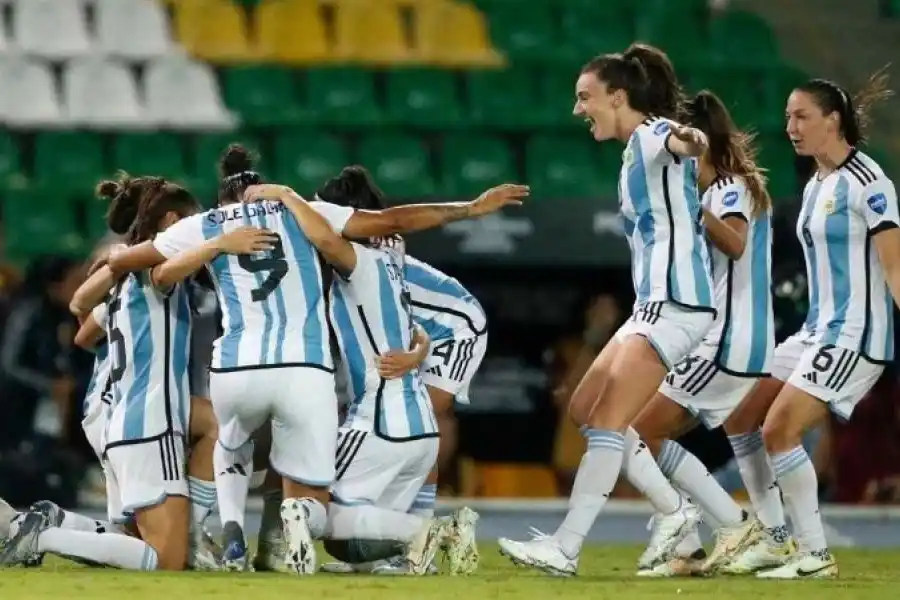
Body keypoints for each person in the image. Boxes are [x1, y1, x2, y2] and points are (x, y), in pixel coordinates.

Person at [497, 43, 716, 577]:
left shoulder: (652, 135)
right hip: (652, 306)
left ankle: (566, 547)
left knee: (608, 422)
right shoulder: (632, 153)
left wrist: (691, 139)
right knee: (584, 407)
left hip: (677, 304)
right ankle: (677, 517)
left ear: (618, 97)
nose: (578, 109)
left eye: (585, 97)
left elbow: (685, 140)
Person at [0, 177, 268, 571]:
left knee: (214, 425)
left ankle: (54, 522)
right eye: (191, 222)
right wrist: (219, 243)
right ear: (172, 221)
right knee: (165, 559)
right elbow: (158, 277)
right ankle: (42, 536)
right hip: (149, 419)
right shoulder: (155, 267)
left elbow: (82, 323)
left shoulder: (125, 276)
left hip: (119, 415)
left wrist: (116, 271)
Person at [245, 181, 480, 575]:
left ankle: (436, 531)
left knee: (314, 502)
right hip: (420, 429)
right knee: (356, 543)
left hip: (380, 421)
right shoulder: (393, 261)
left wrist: (287, 196)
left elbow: (325, 237)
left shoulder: (359, 262)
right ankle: (407, 551)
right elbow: (418, 327)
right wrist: (418, 354)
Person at [725, 71, 899, 579]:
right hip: (814, 332)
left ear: (833, 120)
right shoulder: (817, 183)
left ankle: (815, 555)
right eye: (787, 117)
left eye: (801, 116)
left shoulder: (870, 183)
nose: (790, 128)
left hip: (854, 336)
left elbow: (894, 265)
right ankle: (775, 538)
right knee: (739, 416)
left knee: (779, 429)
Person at [620, 90, 774, 576]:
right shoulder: (719, 190)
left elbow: (735, 242)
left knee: (637, 431)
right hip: (725, 338)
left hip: (727, 339)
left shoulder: (728, 188)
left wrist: (692, 209)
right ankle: (691, 545)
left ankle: (730, 526)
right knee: (640, 433)